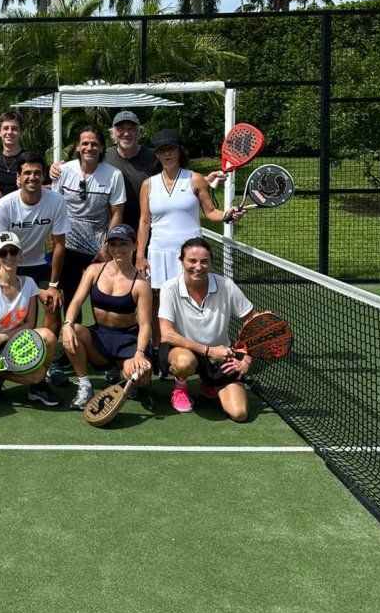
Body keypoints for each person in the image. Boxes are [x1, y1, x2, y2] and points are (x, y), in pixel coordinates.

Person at [157, 237, 256, 419]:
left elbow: (255, 324)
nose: (198, 267)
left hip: (221, 356)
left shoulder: (226, 286)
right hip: (183, 351)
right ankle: (180, 387)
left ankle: (210, 383)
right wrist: (209, 351)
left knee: (239, 413)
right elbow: (167, 335)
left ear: (211, 263)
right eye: (192, 261)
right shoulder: (169, 288)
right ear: (181, 261)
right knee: (184, 363)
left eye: (204, 261)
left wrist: (246, 361)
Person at [61, 224, 153, 410]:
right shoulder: (94, 270)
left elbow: (145, 325)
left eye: (123, 244)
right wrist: (67, 324)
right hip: (100, 340)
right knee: (74, 331)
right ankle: (85, 386)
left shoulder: (141, 284)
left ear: (135, 245)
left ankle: (124, 375)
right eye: (113, 244)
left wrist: (139, 353)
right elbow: (77, 301)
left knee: (140, 377)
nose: (117, 249)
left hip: (128, 342)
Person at [136, 130, 239, 295]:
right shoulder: (148, 184)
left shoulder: (195, 179)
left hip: (191, 254)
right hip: (158, 251)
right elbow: (144, 221)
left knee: (193, 299)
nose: (167, 153)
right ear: (157, 155)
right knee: (159, 304)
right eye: (162, 150)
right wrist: (140, 255)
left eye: (171, 148)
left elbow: (211, 212)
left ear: (179, 151)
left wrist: (227, 215)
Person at [0, 152, 70, 337]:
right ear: (18, 177)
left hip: (36, 263)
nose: (32, 177)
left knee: (53, 303)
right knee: (11, 311)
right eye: (27, 173)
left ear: (43, 176)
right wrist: (2, 282)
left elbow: (59, 245)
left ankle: (45, 358)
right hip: (6, 262)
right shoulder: (5, 204)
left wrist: (53, 285)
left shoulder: (56, 202)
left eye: (37, 173)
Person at [0, 231, 59, 406]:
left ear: (20, 255)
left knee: (48, 336)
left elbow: (29, 323)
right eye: (3, 253)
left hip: (15, 340)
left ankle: (37, 388)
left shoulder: (29, 283)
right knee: (37, 374)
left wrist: (5, 336)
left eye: (13, 251)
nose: (9, 256)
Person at [51, 123, 126, 321]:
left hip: (99, 249)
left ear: (102, 147)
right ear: (77, 147)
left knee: (102, 298)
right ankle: (71, 346)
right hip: (68, 246)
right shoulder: (63, 171)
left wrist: (107, 246)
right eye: (84, 143)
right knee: (70, 297)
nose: (89, 148)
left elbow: (117, 213)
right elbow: (55, 206)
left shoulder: (114, 175)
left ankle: (102, 344)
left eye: (94, 144)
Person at [103, 111, 159, 232]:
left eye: (132, 129)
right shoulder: (103, 157)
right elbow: (81, 169)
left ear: (139, 132)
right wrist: (58, 168)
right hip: (112, 229)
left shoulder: (154, 157)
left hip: (147, 227)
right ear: (112, 133)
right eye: (121, 129)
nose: (126, 133)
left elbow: (173, 176)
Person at [0, 110, 27, 196]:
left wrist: (31, 186)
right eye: (5, 128)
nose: (9, 132)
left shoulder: (30, 160)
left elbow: (52, 185)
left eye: (14, 129)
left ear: (21, 133)